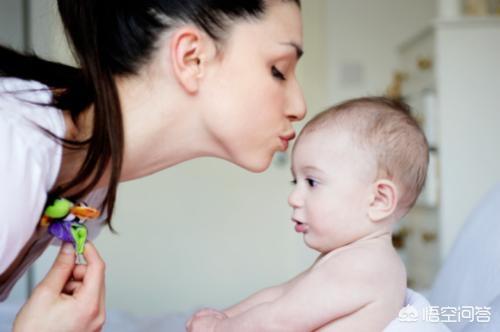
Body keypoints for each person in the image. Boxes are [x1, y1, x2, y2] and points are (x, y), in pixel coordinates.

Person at [0, 0, 305, 330]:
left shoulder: (92, 185)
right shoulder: (13, 147)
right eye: (278, 70)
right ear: (191, 57)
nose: (299, 107)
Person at [187, 97, 429, 331]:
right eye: (296, 181)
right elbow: (280, 295)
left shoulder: (366, 265)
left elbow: (278, 321)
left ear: (378, 200)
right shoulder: (347, 256)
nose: (293, 198)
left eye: (312, 182)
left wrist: (220, 327)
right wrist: (225, 315)